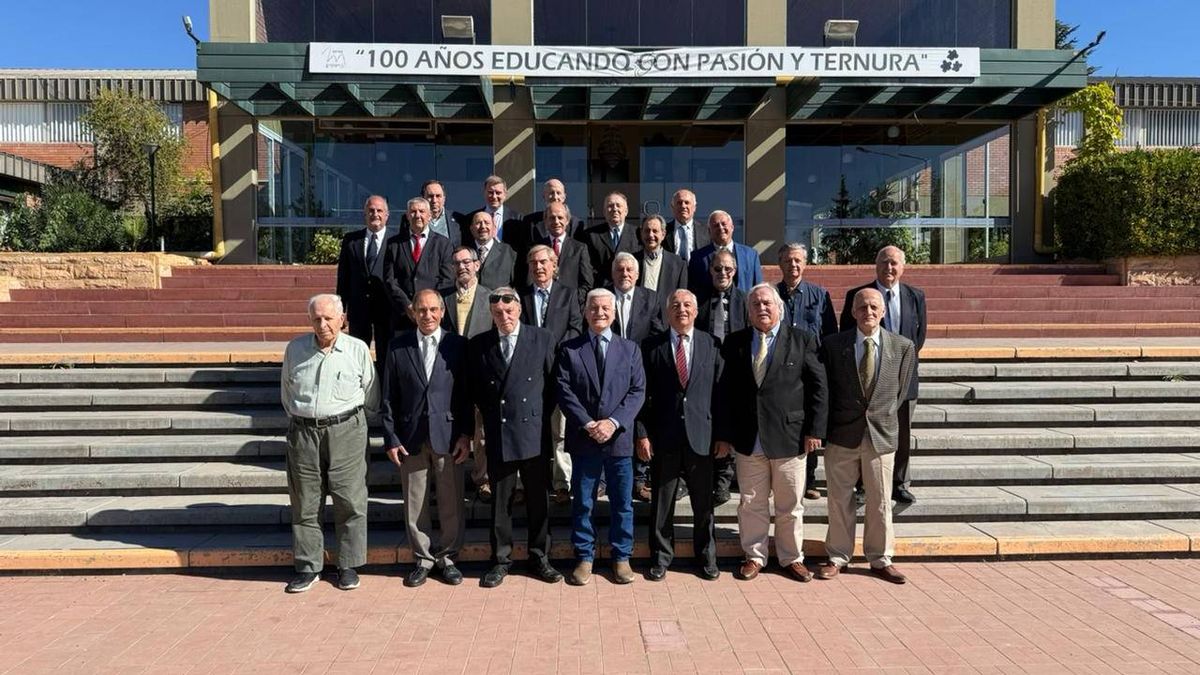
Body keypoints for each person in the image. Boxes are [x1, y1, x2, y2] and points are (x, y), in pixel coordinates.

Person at [714, 284, 828, 583]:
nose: (761, 308)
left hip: (790, 437)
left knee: (790, 505)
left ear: (780, 307)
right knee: (751, 502)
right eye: (755, 304)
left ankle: (792, 558)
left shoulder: (802, 340)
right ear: (747, 311)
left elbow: (818, 388)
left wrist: (815, 430)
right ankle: (755, 555)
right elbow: (725, 392)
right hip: (748, 439)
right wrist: (724, 434)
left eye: (766, 303)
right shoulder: (735, 342)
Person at [279, 293, 379, 593]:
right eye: (316, 319)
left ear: (342, 319)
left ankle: (348, 564)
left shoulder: (357, 349)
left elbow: (372, 394)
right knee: (305, 502)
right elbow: (287, 392)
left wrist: (354, 424)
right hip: (304, 433)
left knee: (350, 500)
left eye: (328, 318)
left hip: (346, 430)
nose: (322, 324)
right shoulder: (295, 349)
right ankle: (309, 567)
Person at [818, 288, 917, 585]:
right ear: (852, 312)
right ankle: (837, 556)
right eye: (862, 307)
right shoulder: (833, 345)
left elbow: (900, 394)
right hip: (842, 434)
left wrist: (877, 415)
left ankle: (881, 558)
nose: (868, 312)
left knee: (880, 501)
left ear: (884, 311)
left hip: (881, 435)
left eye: (874, 307)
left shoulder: (903, 346)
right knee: (838, 499)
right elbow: (828, 390)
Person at [468, 287, 563, 588]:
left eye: (509, 311)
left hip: (534, 433)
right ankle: (500, 560)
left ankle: (540, 557)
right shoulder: (479, 344)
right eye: (497, 313)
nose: (504, 317)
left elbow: (552, 387)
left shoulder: (542, 338)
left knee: (538, 500)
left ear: (520, 309)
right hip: (500, 432)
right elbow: (477, 390)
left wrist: (537, 417)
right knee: (500, 502)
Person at [380, 289, 473, 588]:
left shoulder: (458, 346)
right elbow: (388, 398)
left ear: (443, 312)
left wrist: (466, 435)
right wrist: (391, 438)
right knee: (414, 502)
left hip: (448, 436)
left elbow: (466, 397)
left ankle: (447, 558)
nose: (428, 316)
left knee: (451, 502)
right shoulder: (397, 347)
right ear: (413, 313)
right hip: (411, 438)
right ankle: (422, 558)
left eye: (434, 310)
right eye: (422, 310)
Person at [556, 289, 646, 586]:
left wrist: (612, 422)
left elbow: (637, 391)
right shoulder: (570, 349)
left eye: (606, 308)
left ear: (615, 312)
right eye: (594, 308)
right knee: (583, 501)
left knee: (622, 502)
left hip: (618, 439)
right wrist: (588, 423)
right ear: (586, 313)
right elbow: (564, 391)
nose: (600, 313)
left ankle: (621, 557)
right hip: (585, 439)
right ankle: (584, 556)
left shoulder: (630, 349)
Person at [636, 289, 721, 582]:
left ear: (696, 311)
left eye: (687, 305)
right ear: (667, 312)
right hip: (664, 436)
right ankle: (660, 558)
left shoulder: (712, 345)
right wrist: (642, 434)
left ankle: (707, 557)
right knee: (662, 502)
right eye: (675, 305)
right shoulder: (650, 347)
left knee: (703, 504)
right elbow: (641, 396)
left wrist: (722, 436)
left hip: (702, 437)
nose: (682, 309)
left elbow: (721, 394)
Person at [839, 245, 926, 504]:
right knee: (865, 431)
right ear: (876, 266)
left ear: (903, 267)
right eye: (884, 263)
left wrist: (901, 365)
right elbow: (847, 334)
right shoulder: (858, 295)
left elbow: (918, 337)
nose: (889, 268)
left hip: (903, 377)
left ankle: (899, 482)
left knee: (902, 430)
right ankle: (864, 484)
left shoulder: (915, 296)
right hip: (867, 378)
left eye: (894, 263)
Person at [520, 244, 583, 504]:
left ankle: (561, 484)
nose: (538, 267)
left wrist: (552, 351)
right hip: (529, 376)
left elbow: (576, 328)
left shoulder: (569, 295)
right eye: (533, 263)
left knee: (560, 431)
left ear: (554, 265)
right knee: (532, 432)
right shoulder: (521, 296)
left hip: (559, 373)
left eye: (543, 262)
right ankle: (532, 483)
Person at [776, 242, 838, 500]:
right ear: (780, 264)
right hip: (779, 368)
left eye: (798, 260)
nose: (793, 265)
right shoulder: (771, 293)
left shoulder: (819, 295)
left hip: (809, 368)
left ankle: (809, 480)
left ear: (805, 264)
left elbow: (830, 333)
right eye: (789, 260)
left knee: (810, 422)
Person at [440, 246, 494, 501]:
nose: (462, 267)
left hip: (481, 374)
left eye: (466, 262)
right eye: (457, 263)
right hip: (449, 374)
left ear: (477, 265)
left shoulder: (491, 298)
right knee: (452, 427)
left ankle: (483, 479)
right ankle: (449, 479)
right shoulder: (443, 299)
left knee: (481, 432)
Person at [336, 195, 394, 370]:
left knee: (386, 356)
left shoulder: (397, 240)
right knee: (356, 356)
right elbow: (343, 277)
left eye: (379, 210)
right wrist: (341, 309)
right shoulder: (351, 240)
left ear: (387, 215)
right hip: (359, 309)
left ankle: (384, 394)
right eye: (371, 210)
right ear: (365, 214)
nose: (375, 214)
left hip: (387, 309)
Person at [383, 197, 454, 333]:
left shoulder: (443, 244)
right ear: (408, 216)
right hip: (403, 316)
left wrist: (428, 305)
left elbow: (447, 279)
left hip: (431, 316)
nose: (418, 215)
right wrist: (407, 305)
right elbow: (389, 280)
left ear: (430, 216)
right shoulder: (393, 244)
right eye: (413, 212)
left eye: (422, 211)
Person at [687, 210, 763, 294]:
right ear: (709, 231)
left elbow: (758, 288)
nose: (720, 228)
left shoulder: (751, 255)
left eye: (724, 224)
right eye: (716, 225)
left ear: (732, 227)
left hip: (743, 305)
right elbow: (692, 289)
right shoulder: (697, 257)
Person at [581, 191, 641, 290]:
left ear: (626, 211)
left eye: (618, 205)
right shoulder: (591, 235)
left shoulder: (638, 234)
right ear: (604, 212)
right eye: (610, 206)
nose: (614, 209)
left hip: (629, 291)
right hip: (601, 291)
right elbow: (588, 267)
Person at [534, 201, 593, 295]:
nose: (556, 222)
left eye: (560, 217)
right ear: (545, 221)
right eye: (552, 218)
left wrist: (574, 302)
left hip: (571, 306)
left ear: (567, 220)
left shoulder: (579, 248)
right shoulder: (537, 248)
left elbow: (587, 283)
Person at [695, 249, 748, 344]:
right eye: (718, 269)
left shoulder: (745, 300)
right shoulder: (698, 299)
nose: (723, 273)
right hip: (706, 353)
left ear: (734, 271)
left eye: (728, 269)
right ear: (711, 270)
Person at [634, 214, 688, 302]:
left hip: (665, 314)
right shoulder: (632, 261)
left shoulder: (678, 264)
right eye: (647, 231)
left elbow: (681, 297)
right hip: (638, 314)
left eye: (655, 231)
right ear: (641, 233)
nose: (651, 235)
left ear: (663, 234)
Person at [404, 179, 464, 248]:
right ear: (423, 198)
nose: (434, 200)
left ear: (444, 199)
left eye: (438, 196)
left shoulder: (458, 219)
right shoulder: (411, 218)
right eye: (430, 196)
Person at [468, 175, 524, 248]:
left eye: (498, 193)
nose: (494, 196)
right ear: (484, 193)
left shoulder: (518, 219)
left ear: (505, 194)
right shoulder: (471, 218)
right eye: (490, 192)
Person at [470, 210, 517, 291]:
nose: (483, 226)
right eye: (478, 223)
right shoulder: (465, 252)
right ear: (471, 229)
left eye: (487, 223)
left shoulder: (509, 252)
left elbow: (516, 284)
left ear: (494, 228)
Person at [662, 189, 708, 261]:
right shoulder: (663, 231)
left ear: (694, 207)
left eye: (687, 202)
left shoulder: (706, 231)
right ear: (672, 207)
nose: (683, 206)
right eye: (679, 203)